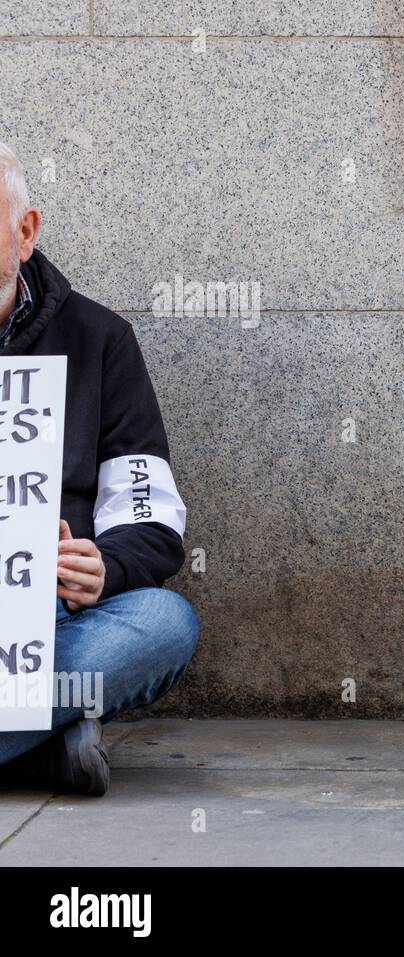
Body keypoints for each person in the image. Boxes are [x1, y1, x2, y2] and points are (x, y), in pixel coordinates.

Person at [0, 141, 199, 796]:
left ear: (24, 232)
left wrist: (102, 566)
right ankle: (41, 742)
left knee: (165, 622)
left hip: (50, 621)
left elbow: (151, 518)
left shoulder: (99, 341)